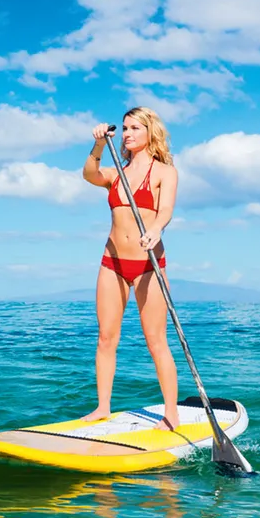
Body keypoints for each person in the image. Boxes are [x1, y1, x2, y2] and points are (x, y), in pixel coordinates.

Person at [80, 106, 181, 431]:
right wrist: (97, 144)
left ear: (150, 131)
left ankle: (171, 413)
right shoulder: (115, 173)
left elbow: (165, 210)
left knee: (156, 342)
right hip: (112, 263)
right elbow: (89, 174)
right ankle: (103, 407)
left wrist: (156, 229)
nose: (127, 134)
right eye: (124, 128)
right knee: (106, 338)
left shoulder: (165, 171)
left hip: (148, 265)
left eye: (135, 128)